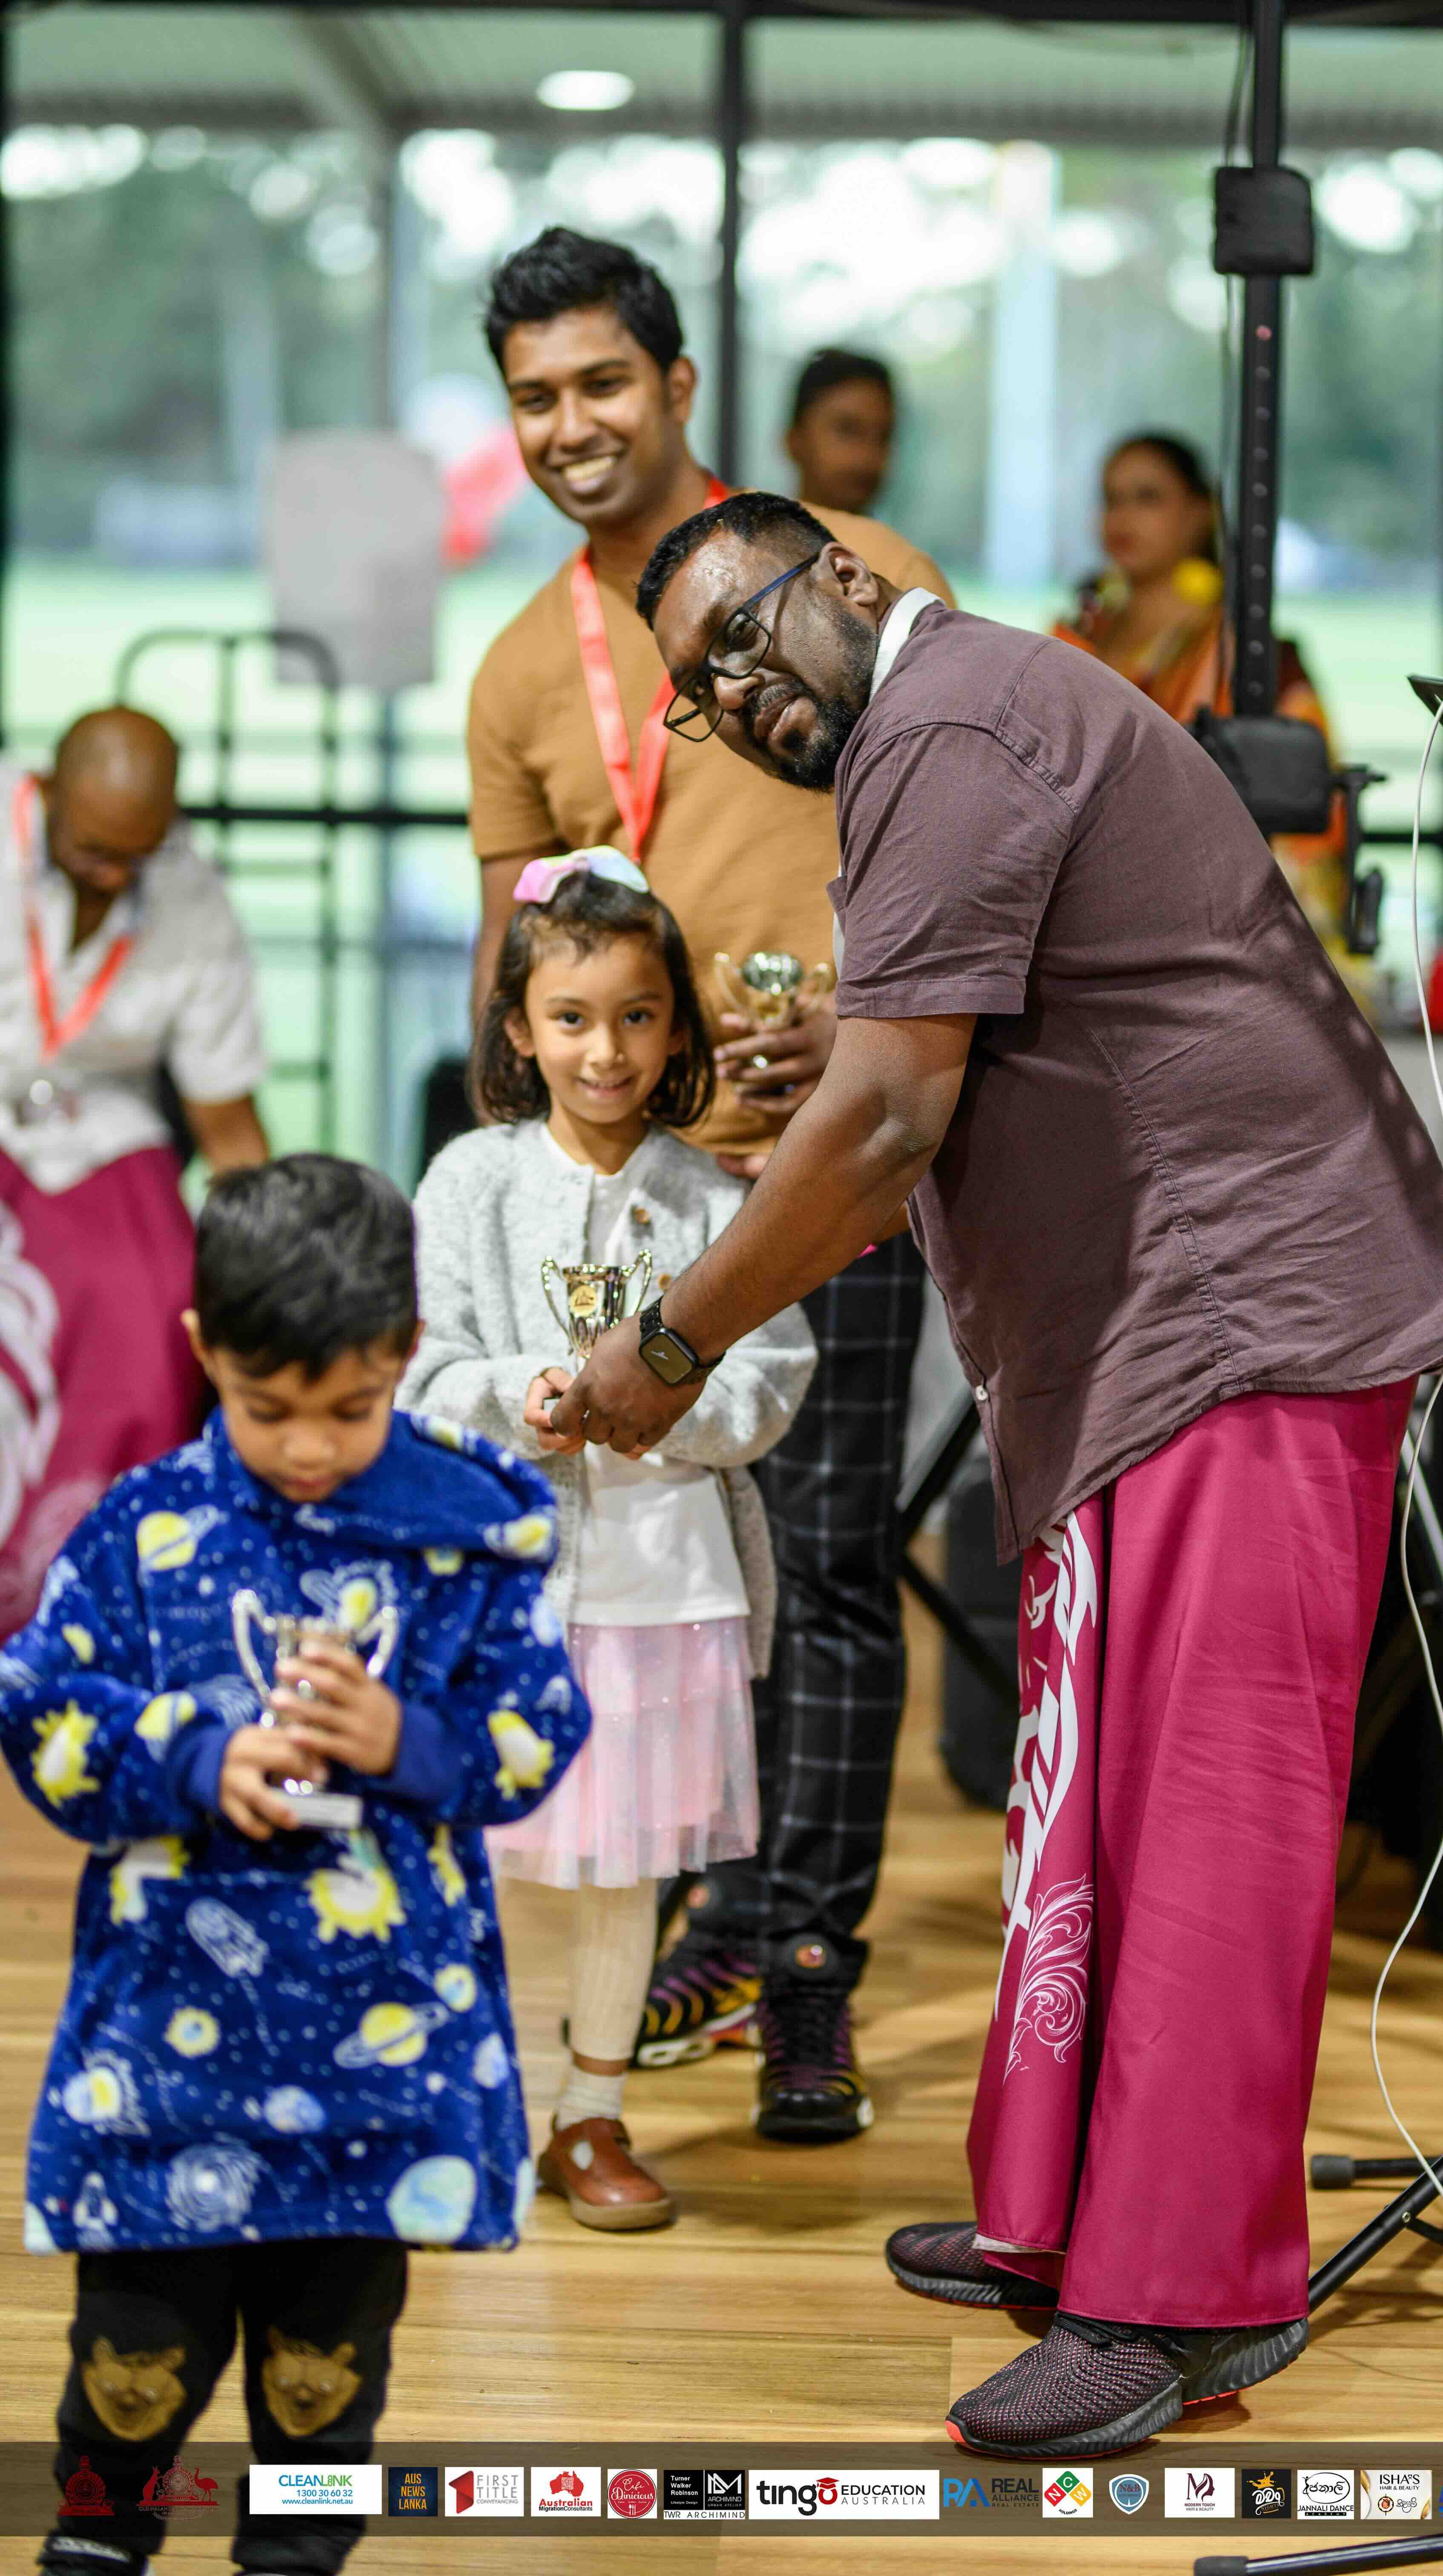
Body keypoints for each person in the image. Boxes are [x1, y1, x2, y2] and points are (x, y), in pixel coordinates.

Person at [556, 489, 1443, 2456]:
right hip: (1155, 1337)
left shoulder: (949, 719)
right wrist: (814, 1096)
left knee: (1213, 1825)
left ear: (846, 576)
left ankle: (1180, 2305)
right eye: (699, 702)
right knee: (1099, 1803)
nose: (734, 701)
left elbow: (897, 1119)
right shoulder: (938, 730)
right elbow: (939, 1063)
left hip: (1251, 1319)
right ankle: (1067, 2222)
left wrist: (667, 1343)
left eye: (741, 643)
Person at [466, 227, 952, 2141]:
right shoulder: (519, 671)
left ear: (674, 385)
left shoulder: (850, 578)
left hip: (843, 1153)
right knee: (659, 1582)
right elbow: (510, 959)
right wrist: (524, 1170)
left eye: (599, 382)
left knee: (826, 1567)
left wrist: (857, 1013)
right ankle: (688, 1921)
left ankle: (800, 1962)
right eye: (532, 398)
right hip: (631, 1193)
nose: (568, 424)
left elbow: (975, 830)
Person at [1, 1154, 588, 2576]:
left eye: (349, 1405)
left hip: (374, 2073)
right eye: (268, 1409)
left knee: (324, 2385)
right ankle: (98, 2540)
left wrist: (411, 1739)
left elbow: (537, 1730)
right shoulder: (142, 1527)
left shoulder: (478, 1523)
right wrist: (194, 1759)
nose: (311, 1445)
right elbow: (42, 1710)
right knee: (129, 2371)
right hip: (164, 2059)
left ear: (402, 1352)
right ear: (204, 1349)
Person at [403, 851, 814, 2227]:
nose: (605, 1048)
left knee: (624, 1861)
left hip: (660, 1592)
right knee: (479, 1844)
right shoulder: (470, 1179)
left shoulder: (710, 1193)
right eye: (571, 1016)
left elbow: (774, 1369)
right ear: (518, 1026)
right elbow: (420, 1365)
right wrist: (521, 1398)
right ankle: (466, 2095)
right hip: (499, 1585)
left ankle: (588, 2113)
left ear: (678, 1027)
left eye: (637, 1015)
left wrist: (666, 1415)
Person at [0, 705, 269, 1639]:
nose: (114, 877)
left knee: (159, 1298)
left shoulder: (191, 895)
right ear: (43, 792)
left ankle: (100, 1588)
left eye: (135, 857)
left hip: (101, 1123)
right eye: (90, 851)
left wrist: (274, 1274)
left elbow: (228, 1127)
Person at [1053, 431, 1356, 979]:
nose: (1122, 517)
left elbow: (1304, 804)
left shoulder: (1245, 650)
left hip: (1207, 929)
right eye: (1111, 498)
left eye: (1148, 498)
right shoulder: (1076, 634)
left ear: (1199, 514)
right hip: (1076, 914)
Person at [784, 348, 897, 517]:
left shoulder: (898, 544)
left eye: (883, 437)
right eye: (847, 430)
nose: (868, 456)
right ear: (795, 440)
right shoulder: (744, 541)